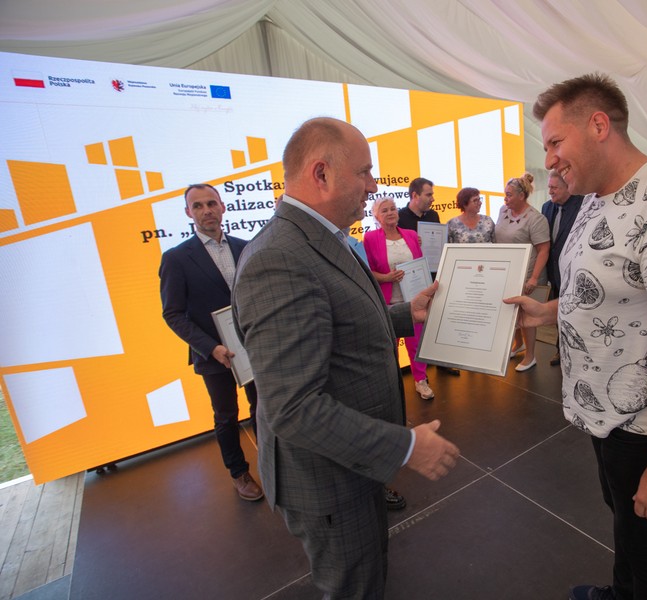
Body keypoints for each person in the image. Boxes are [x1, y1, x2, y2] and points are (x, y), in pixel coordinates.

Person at [506, 73, 647, 600]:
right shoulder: (595, 199)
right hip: (606, 413)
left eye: (555, 143)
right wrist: (545, 312)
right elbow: (608, 293)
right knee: (627, 524)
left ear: (599, 125)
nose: (549, 160)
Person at [232, 117, 460, 599]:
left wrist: (407, 314)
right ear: (321, 174)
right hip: (327, 482)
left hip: (350, 468)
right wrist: (405, 446)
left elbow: (342, 325)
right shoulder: (280, 258)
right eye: (364, 172)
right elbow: (294, 407)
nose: (373, 186)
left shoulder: (321, 238)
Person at [159, 183, 263, 502]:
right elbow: (173, 314)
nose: (206, 211)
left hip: (252, 347)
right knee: (226, 416)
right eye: (198, 206)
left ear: (223, 207)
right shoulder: (176, 258)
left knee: (262, 408)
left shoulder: (246, 247)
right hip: (214, 354)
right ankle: (239, 472)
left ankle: (273, 461)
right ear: (188, 213)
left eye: (211, 203)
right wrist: (211, 347)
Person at [346, 230, 409, 511]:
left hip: (370, 361)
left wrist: (407, 313)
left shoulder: (350, 244)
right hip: (347, 372)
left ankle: (375, 486)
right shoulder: (292, 251)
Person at [364, 196, 434, 400]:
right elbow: (367, 270)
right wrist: (386, 277)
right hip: (388, 302)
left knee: (416, 344)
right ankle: (392, 383)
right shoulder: (370, 238)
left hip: (412, 300)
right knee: (389, 347)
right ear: (376, 216)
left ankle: (420, 380)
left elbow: (420, 265)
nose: (390, 213)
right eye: (384, 210)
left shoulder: (411, 235)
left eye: (393, 209)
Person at [397, 176, 461, 376]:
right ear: (415, 195)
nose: (433, 198)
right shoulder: (400, 217)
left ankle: (442, 360)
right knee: (416, 323)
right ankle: (420, 372)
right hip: (412, 279)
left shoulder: (433, 215)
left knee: (438, 318)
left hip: (434, 274)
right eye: (429, 194)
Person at [495, 172, 550, 372]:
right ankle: (518, 344)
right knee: (512, 309)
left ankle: (530, 356)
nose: (505, 199)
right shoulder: (503, 211)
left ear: (521, 195)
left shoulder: (535, 218)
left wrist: (534, 278)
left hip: (528, 275)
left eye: (509, 195)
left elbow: (543, 250)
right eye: (505, 194)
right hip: (508, 271)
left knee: (528, 315)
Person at [541, 169, 584, 366]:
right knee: (559, 312)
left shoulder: (582, 205)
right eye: (549, 187)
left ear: (567, 186)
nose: (550, 191)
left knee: (576, 312)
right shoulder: (546, 207)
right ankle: (561, 350)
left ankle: (577, 353)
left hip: (575, 270)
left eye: (554, 187)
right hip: (554, 271)